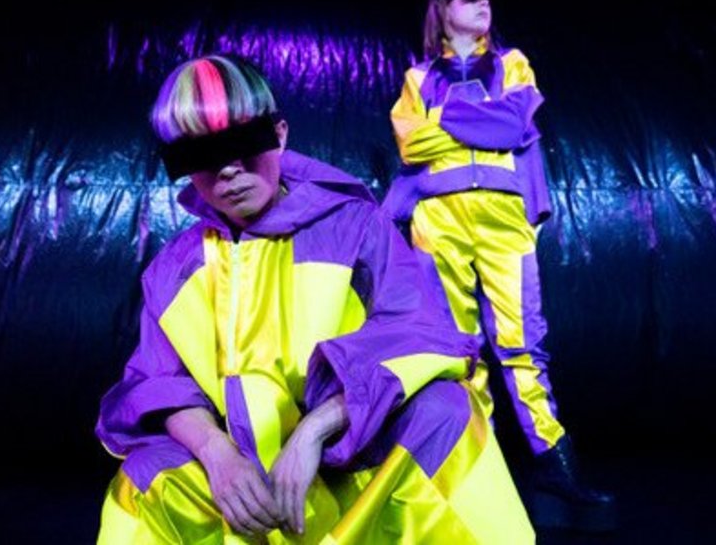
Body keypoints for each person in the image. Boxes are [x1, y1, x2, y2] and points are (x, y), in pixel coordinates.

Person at [95, 55, 534, 543]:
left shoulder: (356, 228)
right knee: (145, 476)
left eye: (243, 143)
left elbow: (420, 337)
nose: (229, 169)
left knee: (446, 410)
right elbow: (158, 383)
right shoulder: (173, 271)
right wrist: (217, 454)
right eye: (201, 154)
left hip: (350, 460)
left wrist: (315, 431)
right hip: (240, 486)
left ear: (279, 134)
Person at [382, 0, 616, 531]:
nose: (482, 2)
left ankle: (553, 462)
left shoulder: (513, 64)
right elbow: (412, 144)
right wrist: (478, 124)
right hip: (438, 218)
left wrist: (447, 121)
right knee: (455, 347)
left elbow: (512, 125)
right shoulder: (417, 77)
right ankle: (476, 465)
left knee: (522, 341)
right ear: (442, 6)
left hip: (504, 217)